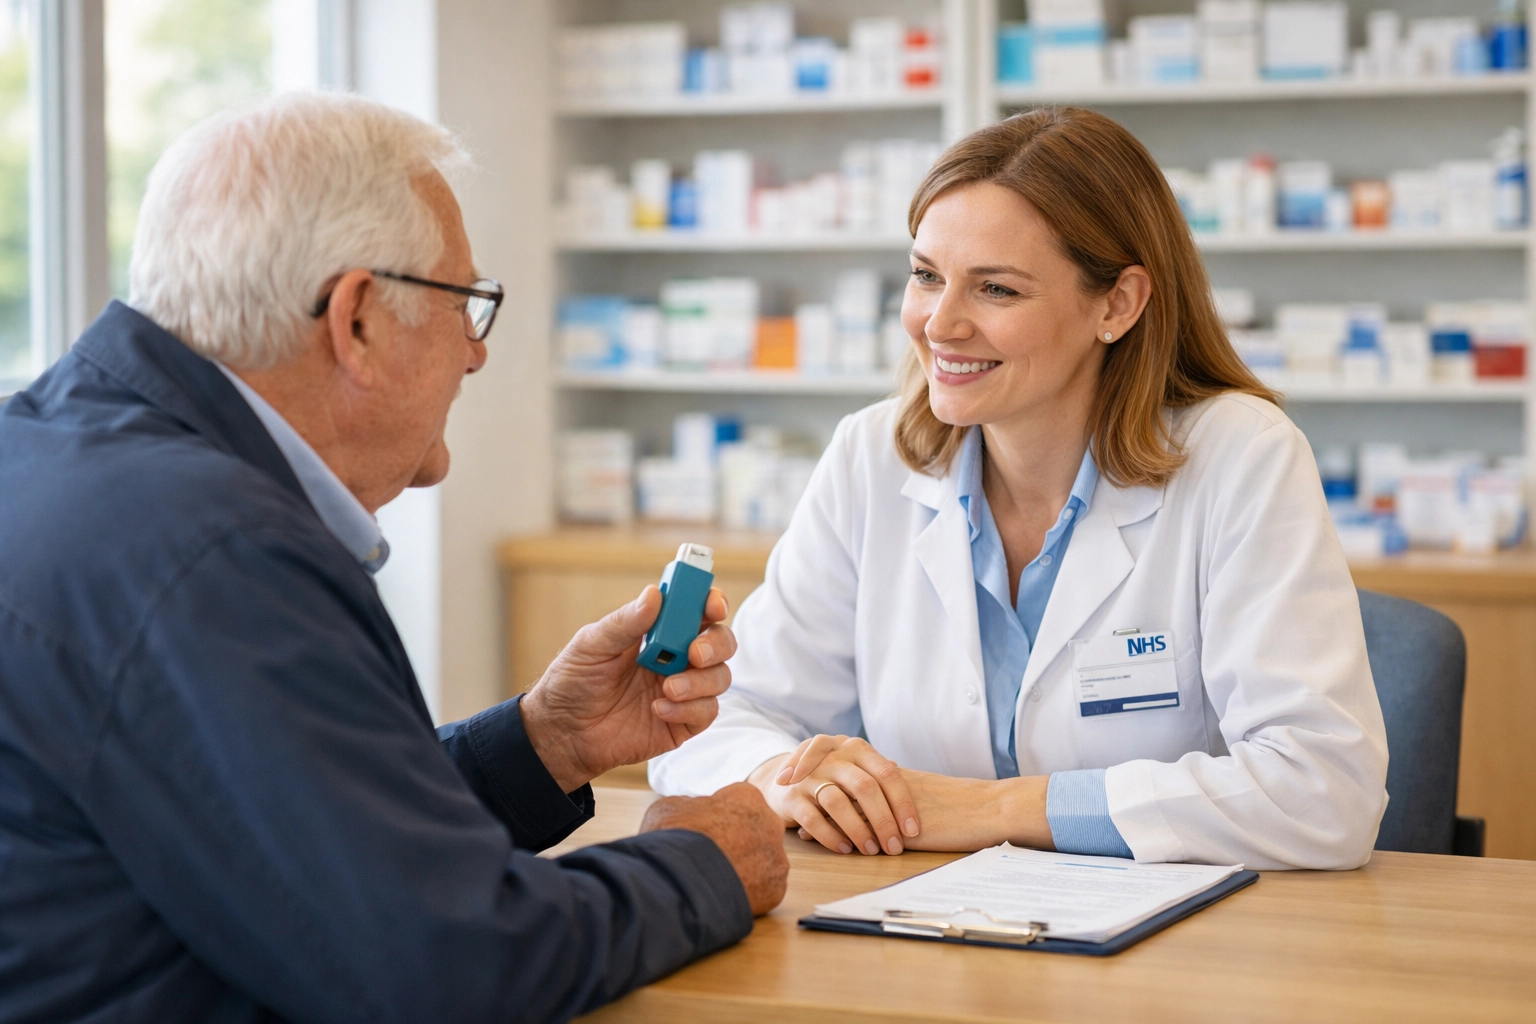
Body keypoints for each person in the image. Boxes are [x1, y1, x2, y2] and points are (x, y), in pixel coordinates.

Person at [0, 93, 787, 1024]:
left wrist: (547, 742)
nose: (473, 357)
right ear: (359, 320)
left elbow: (300, 840)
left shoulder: (57, 456)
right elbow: (447, 965)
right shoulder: (215, 551)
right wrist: (705, 863)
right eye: (468, 306)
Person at [649, 107, 1390, 872]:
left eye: (996, 290)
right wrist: (789, 780)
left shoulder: (1240, 458)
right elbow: (723, 717)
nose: (941, 324)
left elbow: (1324, 790)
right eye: (926, 276)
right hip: (915, 928)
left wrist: (988, 810)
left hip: (1170, 959)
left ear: (1117, 304)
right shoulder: (873, 457)